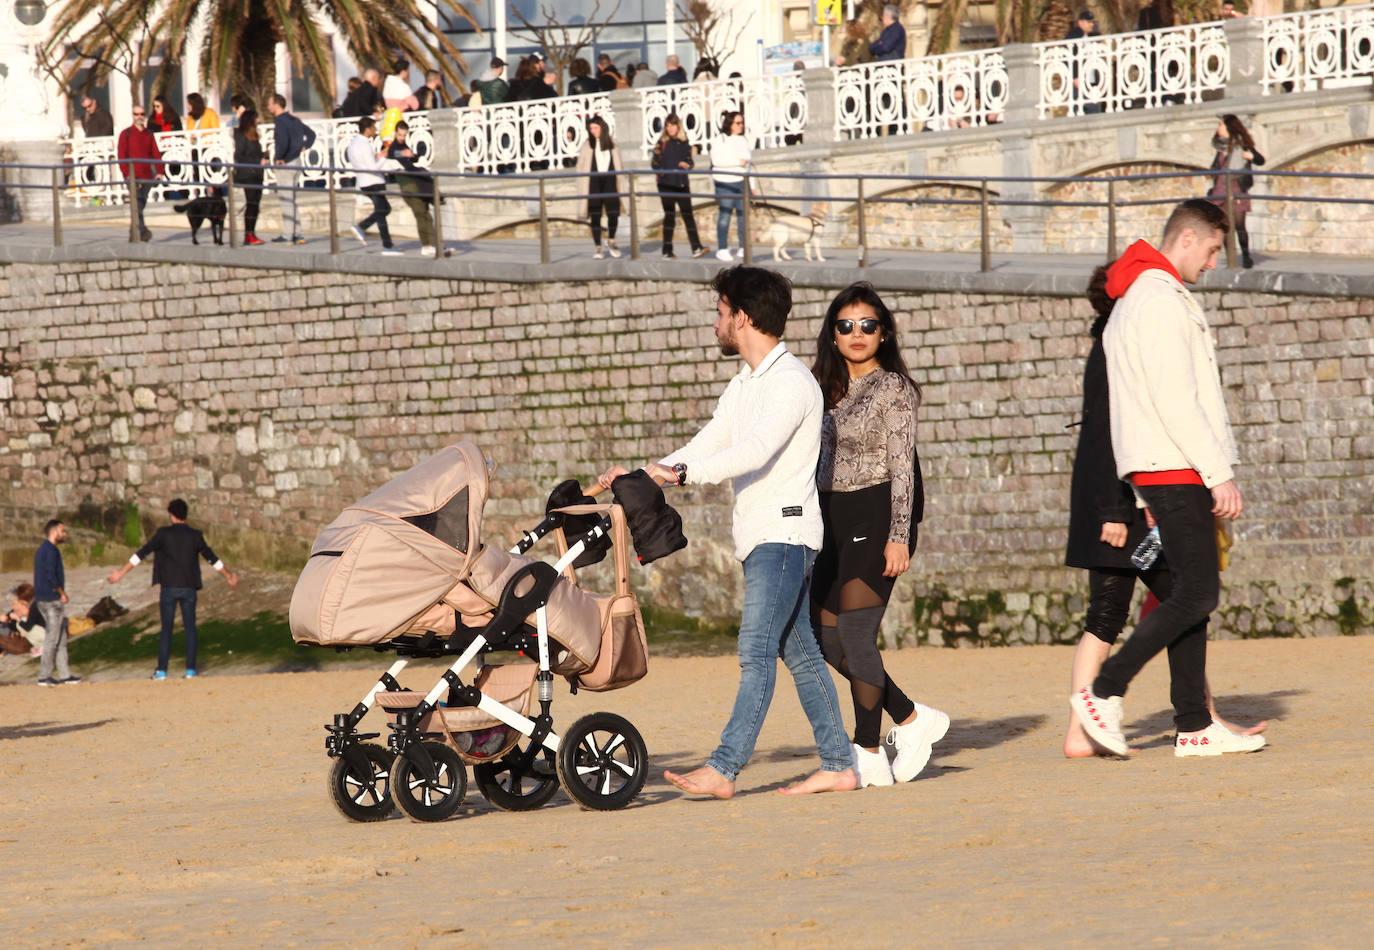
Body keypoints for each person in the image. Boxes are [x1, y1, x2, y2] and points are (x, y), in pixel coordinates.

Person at [598, 265, 856, 798]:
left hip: (784, 536)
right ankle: (839, 763)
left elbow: (754, 451)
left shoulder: (791, 383)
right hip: (765, 538)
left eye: (719, 312)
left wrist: (684, 475)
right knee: (799, 653)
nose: (715, 322)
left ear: (741, 317)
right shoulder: (746, 384)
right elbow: (710, 441)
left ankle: (724, 767)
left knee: (755, 651)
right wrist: (641, 475)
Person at [1069, 198, 1265, 759]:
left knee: (1186, 594)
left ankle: (1194, 724)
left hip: (1162, 466)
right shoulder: (1158, 299)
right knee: (1198, 592)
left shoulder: (1141, 296)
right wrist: (1218, 473)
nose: (1210, 264)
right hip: (1173, 465)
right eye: (1209, 251)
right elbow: (1177, 399)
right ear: (1186, 239)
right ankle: (1105, 690)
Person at [809, 282, 948, 787]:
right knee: (826, 639)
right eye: (845, 325)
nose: (857, 333)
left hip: (875, 514)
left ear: (883, 332)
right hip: (828, 520)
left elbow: (902, 468)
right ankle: (911, 719)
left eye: (868, 324)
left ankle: (867, 750)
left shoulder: (893, 388)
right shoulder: (819, 389)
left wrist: (899, 534)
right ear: (832, 335)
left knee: (855, 633)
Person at [108, 498, 240, 680]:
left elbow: (142, 553)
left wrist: (121, 573)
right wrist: (229, 576)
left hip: (169, 588)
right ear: (185, 514)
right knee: (190, 628)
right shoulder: (195, 535)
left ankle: (162, 671)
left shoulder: (163, 534)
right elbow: (211, 558)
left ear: (171, 515)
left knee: (166, 629)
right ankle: (191, 671)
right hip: (189, 588)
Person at [1207, 114, 1265, 269]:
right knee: (1225, 226)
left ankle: (1246, 256)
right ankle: (1230, 258)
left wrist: (1250, 156)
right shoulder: (1220, 147)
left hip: (1237, 188)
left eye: (1221, 125)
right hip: (1221, 190)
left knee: (1239, 225)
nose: (1218, 128)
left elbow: (1260, 159)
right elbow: (1215, 166)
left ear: (1228, 127)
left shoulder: (1241, 145)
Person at [651, 113, 708, 260]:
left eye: (673, 125)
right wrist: (665, 174)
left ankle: (696, 247)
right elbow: (655, 163)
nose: (670, 128)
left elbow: (690, 161)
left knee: (688, 215)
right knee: (669, 217)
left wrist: (686, 165)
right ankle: (667, 251)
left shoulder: (684, 142)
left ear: (678, 126)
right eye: (668, 126)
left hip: (682, 184)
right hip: (666, 185)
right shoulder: (661, 143)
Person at [34, 519, 81, 686]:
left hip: (42, 599)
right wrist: (62, 593)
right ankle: (44, 676)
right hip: (52, 600)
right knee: (52, 638)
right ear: (54, 531)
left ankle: (65, 674)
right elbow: (50, 575)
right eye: (63, 531)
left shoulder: (41, 550)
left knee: (60, 638)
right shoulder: (51, 551)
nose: (65, 534)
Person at [345, 116, 401, 255]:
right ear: (368, 129)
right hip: (373, 182)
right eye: (374, 128)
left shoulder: (354, 143)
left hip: (364, 182)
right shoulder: (364, 144)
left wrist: (378, 156)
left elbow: (366, 162)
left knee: (383, 210)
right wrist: (384, 157)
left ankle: (383, 242)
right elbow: (373, 168)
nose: (376, 130)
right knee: (383, 211)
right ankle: (385, 244)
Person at [388, 120, 444, 257]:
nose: (401, 138)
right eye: (400, 135)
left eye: (404, 135)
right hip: (408, 186)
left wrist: (413, 155)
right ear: (396, 133)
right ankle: (426, 245)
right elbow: (392, 154)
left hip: (416, 184)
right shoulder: (394, 147)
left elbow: (412, 159)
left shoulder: (403, 145)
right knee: (420, 214)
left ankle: (434, 244)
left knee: (426, 215)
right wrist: (404, 155)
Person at [266, 93, 315, 245]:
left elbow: (283, 141)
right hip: (297, 162)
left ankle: (288, 235)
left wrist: (280, 157)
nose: (268, 107)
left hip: (286, 163)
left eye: (270, 103)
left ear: (276, 104)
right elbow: (311, 135)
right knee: (292, 200)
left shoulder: (280, 121)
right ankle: (298, 234)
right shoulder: (294, 119)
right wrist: (303, 147)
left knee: (286, 200)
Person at [576, 115, 626, 260]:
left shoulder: (612, 143)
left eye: (595, 128)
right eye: (591, 128)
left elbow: (619, 164)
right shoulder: (587, 145)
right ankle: (598, 246)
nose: (593, 131)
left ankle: (611, 240)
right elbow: (580, 165)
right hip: (594, 182)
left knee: (613, 213)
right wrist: (583, 180)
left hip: (610, 180)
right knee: (595, 215)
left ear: (602, 128)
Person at [117, 104, 163, 242]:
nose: (139, 117)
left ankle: (135, 233)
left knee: (140, 204)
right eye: (136, 114)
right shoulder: (126, 134)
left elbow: (156, 153)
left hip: (147, 175)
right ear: (133, 116)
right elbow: (121, 155)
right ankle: (143, 231)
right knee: (136, 204)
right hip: (132, 176)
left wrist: (160, 171)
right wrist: (127, 173)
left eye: (142, 114)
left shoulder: (149, 134)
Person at [711, 111, 751, 261]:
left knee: (742, 216)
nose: (741, 126)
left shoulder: (743, 140)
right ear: (730, 124)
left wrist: (751, 184)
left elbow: (748, 165)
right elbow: (716, 161)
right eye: (737, 123)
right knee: (725, 216)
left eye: (742, 123)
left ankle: (743, 246)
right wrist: (737, 162)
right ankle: (722, 248)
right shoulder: (720, 139)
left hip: (742, 181)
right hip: (725, 182)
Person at [233, 108, 266, 245]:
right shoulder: (241, 135)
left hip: (257, 173)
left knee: (255, 205)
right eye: (256, 118)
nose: (259, 121)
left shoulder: (254, 136)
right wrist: (257, 162)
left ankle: (252, 233)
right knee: (251, 203)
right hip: (248, 174)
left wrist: (264, 156)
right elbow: (240, 156)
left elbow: (254, 153)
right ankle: (248, 234)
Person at [1064, 10, 1103, 115]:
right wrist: (1075, 77)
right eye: (1088, 22)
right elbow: (1069, 57)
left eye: (1092, 22)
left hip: (1089, 81)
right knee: (1084, 109)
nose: (1091, 24)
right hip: (1080, 82)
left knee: (1092, 109)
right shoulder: (1074, 36)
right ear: (1080, 22)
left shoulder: (1089, 37)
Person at [3, 582, 44, 658]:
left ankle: (43, 646)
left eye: (14, 603)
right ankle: (40, 646)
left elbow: (27, 626)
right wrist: (8, 617)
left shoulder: (33, 608)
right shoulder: (34, 604)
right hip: (42, 635)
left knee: (20, 624)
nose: (13, 606)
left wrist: (17, 619)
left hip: (44, 636)